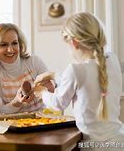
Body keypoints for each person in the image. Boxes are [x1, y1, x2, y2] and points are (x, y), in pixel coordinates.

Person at [38, 12, 124, 146]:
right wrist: (54, 75)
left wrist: (41, 93)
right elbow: (86, 79)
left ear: (74, 42)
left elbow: (58, 103)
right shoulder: (112, 59)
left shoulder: (75, 69)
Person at [0, 23, 53, 114]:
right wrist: (16, 102)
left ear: (20, 44)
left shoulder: (33, 61)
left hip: (43, 118)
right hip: (13, 123)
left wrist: (47, 88)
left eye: (14, 43)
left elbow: (53, 90)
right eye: (4, 45)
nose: (10, 50)